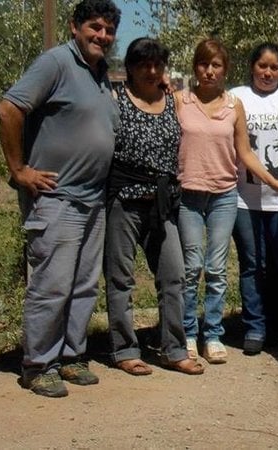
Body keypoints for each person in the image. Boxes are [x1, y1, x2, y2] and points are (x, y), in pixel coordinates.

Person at [0, 0, 121, 397]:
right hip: (56, 197)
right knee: (52, 285)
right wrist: (19, 170)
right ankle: (38, 365)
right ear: (74, 27)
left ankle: (70, 356)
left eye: (108, 30)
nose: (102, 35)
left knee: (83, 286)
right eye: (95, 27)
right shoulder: (55, 63)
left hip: (92, 199)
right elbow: (8, 109)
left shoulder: (101, 75)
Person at [176, 39, 278, 364]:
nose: (209, 71)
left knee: (216, 269)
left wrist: (272, 181)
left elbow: (245, 153)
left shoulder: (234, 105)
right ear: (196, 67)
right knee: (191, 268)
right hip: (188, 196)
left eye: (216, 65)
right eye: (204, 64)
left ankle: (212, 335)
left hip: (225, 197)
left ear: (225, 70)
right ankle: (187, 334)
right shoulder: (180, 100)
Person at [104, 37, 203, 376]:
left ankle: (174, 349)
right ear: (130, 68)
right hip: (123, 201)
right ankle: (125, 349)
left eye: (157, 64)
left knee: (174, 276)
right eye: (143, 64)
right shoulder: (115, 99)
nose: (151, 70)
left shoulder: (172, 100)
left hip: (162, 204)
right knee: (121, 279)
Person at [230, 43, 278, 356]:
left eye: (274, 67)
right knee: (253, 266)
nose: (267, 72)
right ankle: (255, 327)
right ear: (252, 66)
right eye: (262, 66)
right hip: (244, 200)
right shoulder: (236, 97)